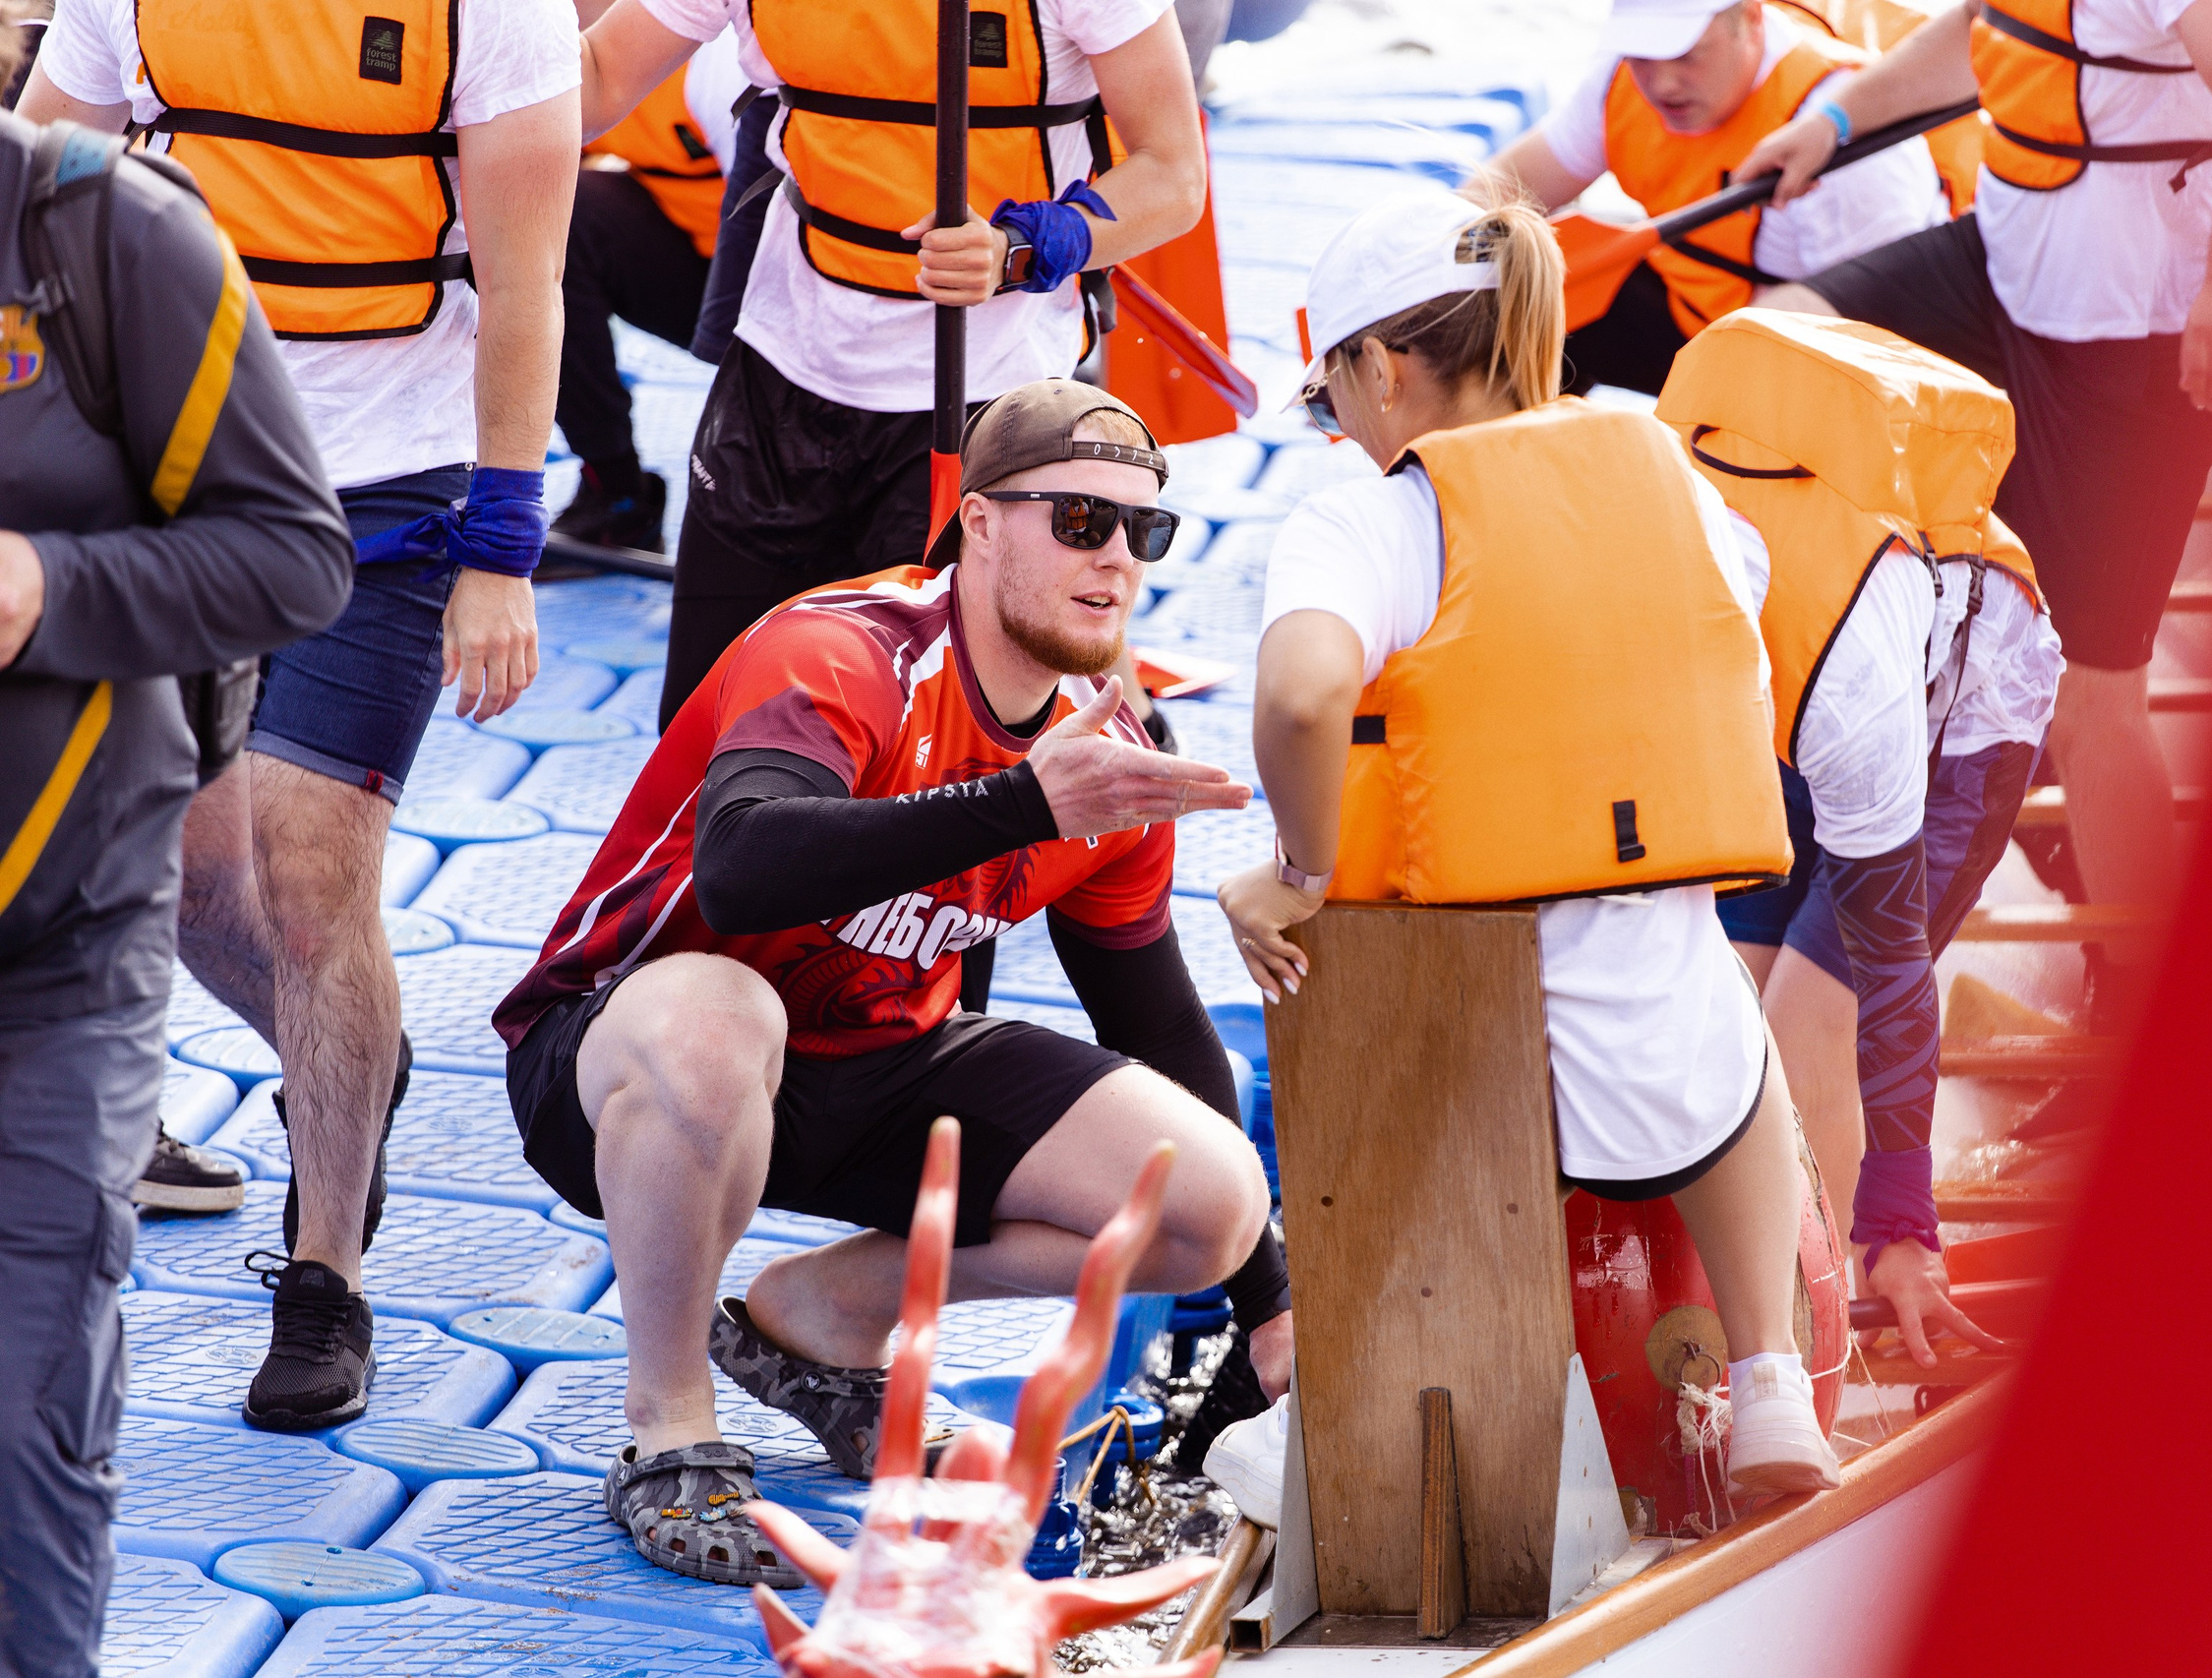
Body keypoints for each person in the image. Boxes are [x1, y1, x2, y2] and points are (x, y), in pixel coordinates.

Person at [492, 381, 1284, 1588]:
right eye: (1080, 519)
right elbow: (742, 866)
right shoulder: (844, 648)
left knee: (1206, 1199)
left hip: (870, 1065)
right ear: (980, 523)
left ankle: (826, 1315)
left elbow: (1151, 1017)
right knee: (721, 1017)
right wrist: (1019, 803)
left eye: (1144, 529)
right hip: (626, 1059)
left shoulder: (1107, 758)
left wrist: (1268, 1297)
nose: (1117, 556)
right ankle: (669, 1422)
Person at [1217, 188, 1842, 1501]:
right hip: (1668, 980)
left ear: (1383, 370)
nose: (1339, 432)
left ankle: (1338, 1398)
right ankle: (1772, 1377)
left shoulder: (1375, 519)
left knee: (1322, 965)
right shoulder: (1667, 471)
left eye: (1329, 402)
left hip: (1476, 1014)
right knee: (1730, 1032)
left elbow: (1301, 695)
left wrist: (1297, 873)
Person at [21, 0, 579, 1432]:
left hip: (391, 497)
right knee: (186, 876)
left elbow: (526, 284)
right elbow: (34, 195)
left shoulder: (496, 12)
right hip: (176, 472)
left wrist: (502, 549)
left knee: (314, 881)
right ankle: (347, 1063)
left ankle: (325, 1274)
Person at [1737, 0, 2212, 1024]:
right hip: (2003, 271)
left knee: (2093, 696)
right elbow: (1980, 27)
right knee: (1778, 343)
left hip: (2134, 341)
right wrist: (1831, 125)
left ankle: (2146, 1007)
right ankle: (1877, 655)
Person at [0, 70, 354, 1675]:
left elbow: (292, 553)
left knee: (22, 1420)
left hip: (54, 954)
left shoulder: (99, 233)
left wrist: (42, 589)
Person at [572, 0, 1211, 724]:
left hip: (980, 396)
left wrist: (1017, 248)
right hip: (780, 369)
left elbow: (1173, 175)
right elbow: (597, 76)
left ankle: (1121, 722)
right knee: (709, 722)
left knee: (939, 742)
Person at [1657, 307, 2059, 1361]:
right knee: (1720, 1013)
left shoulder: (1846, 680)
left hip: (1952, 724)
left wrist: (1900, 1216)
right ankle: (1711, 1306)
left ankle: (1805, 1342)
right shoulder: (1639, 560)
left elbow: (1890, 971)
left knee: (1803, 1027)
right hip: (1782, 709)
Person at [1471, 0, 1953, 396]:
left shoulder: (1855, 150)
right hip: (1692, 306)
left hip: (1803, 351)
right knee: (1503, 304)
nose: (1662, 84)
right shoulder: (1619, 79)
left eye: (1686, 54)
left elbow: (1877, 349)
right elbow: (1505, 186)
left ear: (1752, 18)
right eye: (1643, 55)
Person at [552, 19, 744, 552]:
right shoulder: (544, 45)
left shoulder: (716, 52)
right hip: (691, 261)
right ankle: (614, 490)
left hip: (786, 280)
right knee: (550, 220)